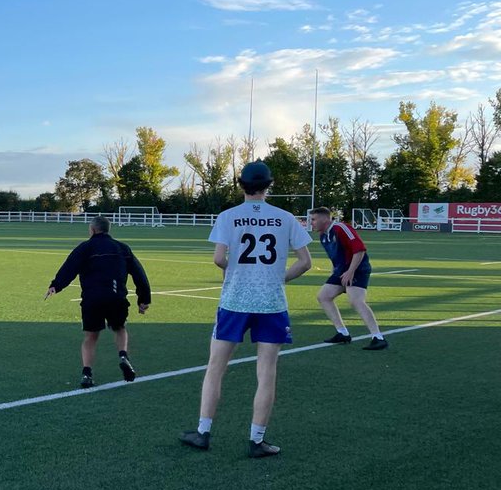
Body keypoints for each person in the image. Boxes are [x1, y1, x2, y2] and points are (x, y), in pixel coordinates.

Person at [180, 162, 313, 458]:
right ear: (269, 185)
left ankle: (203, 433)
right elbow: (305, 262)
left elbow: (218, 259)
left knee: (215, 368)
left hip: (234, 302)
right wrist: (279, 278)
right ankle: (256, 440)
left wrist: (237, 271)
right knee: (266, 372)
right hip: (272, 303)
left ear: (241, 184)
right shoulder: (286, 218)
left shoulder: (229, 216)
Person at [45, 215, 151, 387]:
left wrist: (55, 286)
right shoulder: (122, 248)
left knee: (90, 337)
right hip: (116, 296)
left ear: (92, 229)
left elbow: (69, 267)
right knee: (120, 328)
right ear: (108, 229)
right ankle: (123, 355)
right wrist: (144, 299)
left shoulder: (85, 248)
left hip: (92, 298)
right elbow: (139, 274)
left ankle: (87, 373)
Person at [309, 207, 387, 350]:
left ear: (325, 219)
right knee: (324, 296)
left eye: (313, 219)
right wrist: (336, 270)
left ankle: (378, 337)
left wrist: (351, 271)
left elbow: (360, 249)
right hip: (342, 271)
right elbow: (337, 255)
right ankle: (342, 333)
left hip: (357, 269)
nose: (311, 223)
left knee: (356, 301)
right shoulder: (323, 235)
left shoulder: (341, 228)